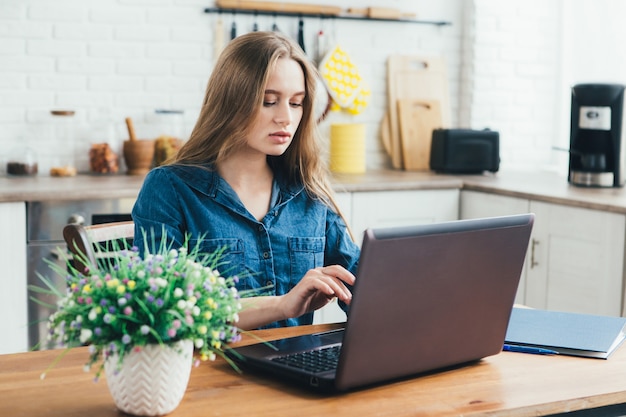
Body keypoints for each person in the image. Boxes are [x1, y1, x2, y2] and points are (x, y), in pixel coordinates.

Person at [131, 31, 360, 330]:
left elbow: (364, 286)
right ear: (231, 102)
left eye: (296, 103)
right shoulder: (170, 189)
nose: (286, 118)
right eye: (269, 101)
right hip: (211, 372)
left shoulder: (309, 193)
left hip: (297, 373)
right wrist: (282, 305)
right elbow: (162, 312)